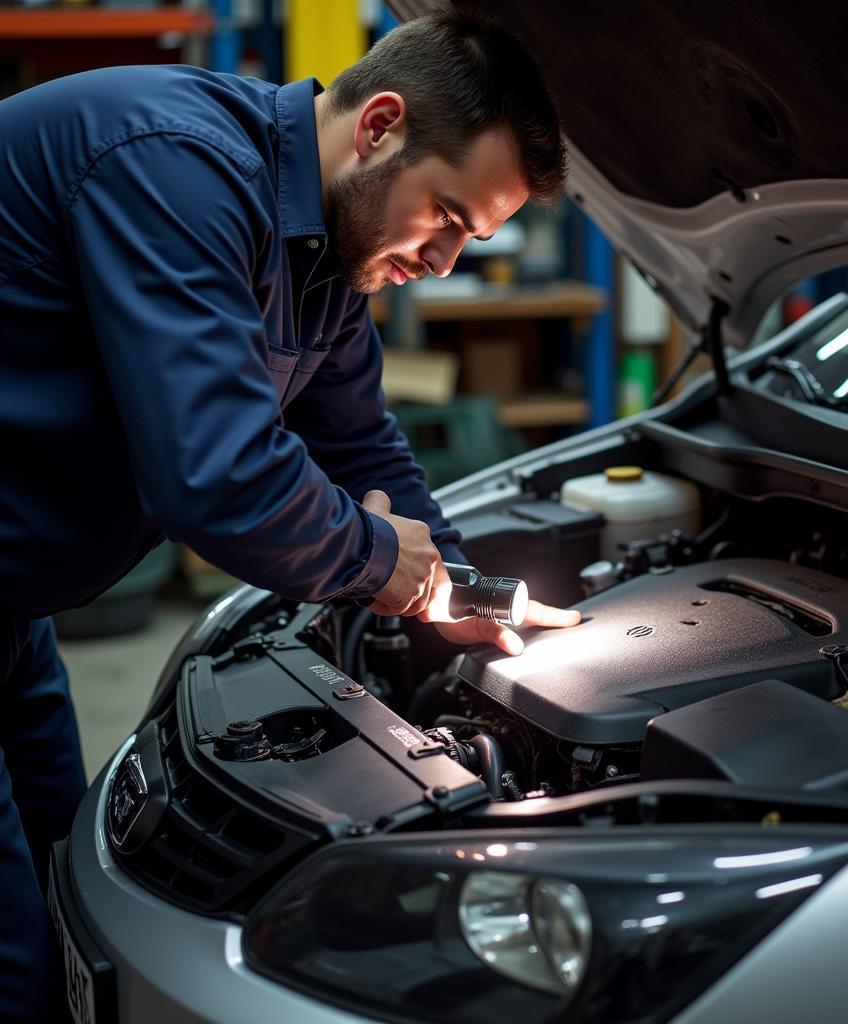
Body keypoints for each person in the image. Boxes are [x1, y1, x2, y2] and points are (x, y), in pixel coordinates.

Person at [0, 9, 580, 1020]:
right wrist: (375, 563)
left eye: (470, 240)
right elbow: (219, 479)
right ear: (379, 126)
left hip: (16, 605)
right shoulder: (175, 167)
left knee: (69, 868)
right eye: (444, 218)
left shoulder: (321, 262)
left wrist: (463, 588)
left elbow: (361, 445)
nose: (444, 261)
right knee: (13, 960)